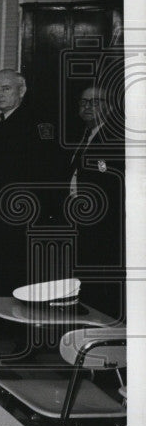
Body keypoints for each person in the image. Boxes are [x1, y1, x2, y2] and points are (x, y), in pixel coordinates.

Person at [0, 69, 61, 298]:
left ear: (22, 90)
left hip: (23, 212)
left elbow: (47, 172)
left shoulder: (36, 123)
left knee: (18, 272)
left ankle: (17, 326)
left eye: (6, 89)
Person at [68, 85, 125, 317]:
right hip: (81, 223)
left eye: (95, 102)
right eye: (83, 102)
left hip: (103, 226)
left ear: (109, 107)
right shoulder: (82, 134)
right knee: (84, 283)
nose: (87, 107)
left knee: (101, 288)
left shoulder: (116, 138)